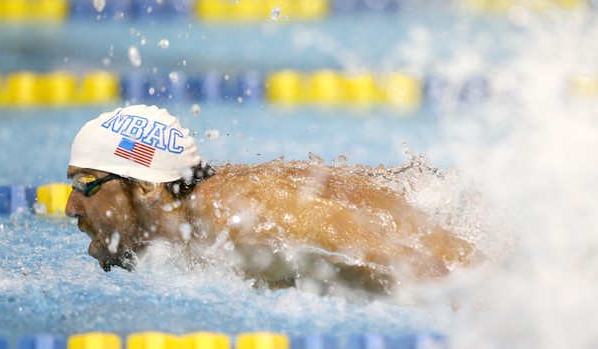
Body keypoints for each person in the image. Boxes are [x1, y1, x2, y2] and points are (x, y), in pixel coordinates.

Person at [66, 104, 476, 296]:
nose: (70, 207)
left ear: (146, 186)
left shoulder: (238, 211)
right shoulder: (196, 223)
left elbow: (424, 264)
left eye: (86, 183)